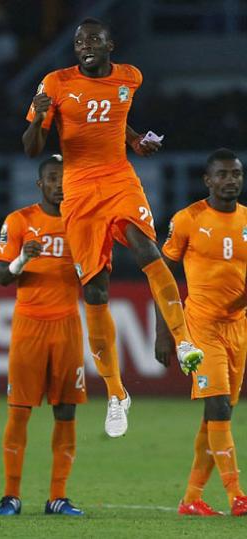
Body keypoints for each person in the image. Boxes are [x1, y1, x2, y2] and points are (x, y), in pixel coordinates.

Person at [22, 17, 203, 438]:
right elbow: (32, 148)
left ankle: (184, 339)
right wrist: (38, 120)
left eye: (93, 40)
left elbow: (114, 119)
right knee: (96, 290)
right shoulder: (54, 82)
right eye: (79, 40)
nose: (85, 45)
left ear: (110, 46)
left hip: (120, 178)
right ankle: (117, 393)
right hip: (80, 189)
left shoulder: (129, 78)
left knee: (147, 250)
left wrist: (136, 140)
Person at [0, 155, 86, 517]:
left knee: (66, 412)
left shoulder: (82, 223)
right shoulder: (19, 221)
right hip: (29, 325)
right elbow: (2, 275)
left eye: (64, 177)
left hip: (67, 326)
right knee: (19, 412)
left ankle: (57, 497)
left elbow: (96, 275)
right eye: (52, 178)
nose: (59, 183)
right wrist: (21, 261)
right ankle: (10, 496)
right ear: (40, 183)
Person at [157, 149, 247, 517]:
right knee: (218, 406)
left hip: (238, 326)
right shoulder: (187, 219)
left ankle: (191, 498)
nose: (231, 180)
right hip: (201, 326)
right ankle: (237, 495)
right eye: (223, 174)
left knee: (216, 416)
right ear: (208, 180)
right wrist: (164, 335)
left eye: (236, 174)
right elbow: (161, 278)